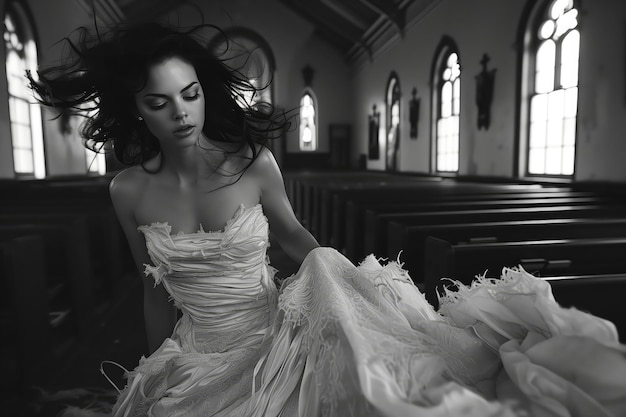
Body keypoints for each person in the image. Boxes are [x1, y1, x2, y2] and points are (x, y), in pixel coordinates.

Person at [29, 21, 626, 417]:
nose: (180, 113)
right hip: (199, 346)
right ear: (136, 111)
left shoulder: (253, 165)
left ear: (205, 92)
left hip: (273, 333)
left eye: (189, 94)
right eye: (158, 103)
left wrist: (343, 283)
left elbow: (292, 236)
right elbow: (150, 287)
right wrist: (153, 362)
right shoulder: (128, 189)